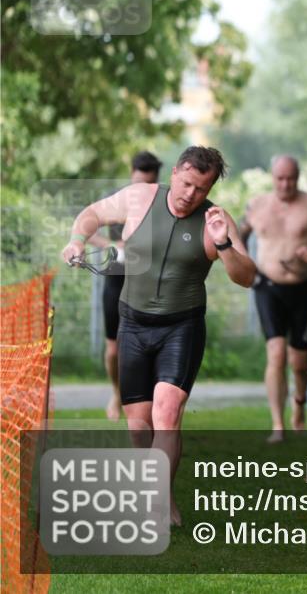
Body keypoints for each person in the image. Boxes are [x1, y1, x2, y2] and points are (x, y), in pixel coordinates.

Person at [62, 145, 255, 526]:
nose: (190, 195)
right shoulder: (140, 198)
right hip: (133, 324)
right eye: (186, 184)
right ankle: (160, 496)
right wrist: (77, 240)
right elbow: (92, 214)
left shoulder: (216, 220)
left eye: (201, 189)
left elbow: (246, 276)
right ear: (175, 173)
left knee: (166, 413)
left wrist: (222, 243)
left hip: (181, 327)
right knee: (139, 427)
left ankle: (153, 506)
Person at [239, 155, 307, 443]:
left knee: (299, 362)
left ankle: (300, 403)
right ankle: (278, 425)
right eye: (280, 179)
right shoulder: (257, 205)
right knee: (276, 354)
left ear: (298, 177)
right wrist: (246, 265)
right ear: (273, 178)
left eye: (291, 179)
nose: (286, 184)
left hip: (302, 288)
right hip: (267, 287)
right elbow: (238, 235)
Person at [88, 151, 162, 421]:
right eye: (139, 182)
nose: (142, 189)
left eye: (149, 183)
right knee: (113, 350)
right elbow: (87, 227)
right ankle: (116, 393)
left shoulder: (164, 205)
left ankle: (147, 402)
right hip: (116, 280)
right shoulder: (116, 200)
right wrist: (112, 245)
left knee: (147, 348)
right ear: (131, 174)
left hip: (147, 284)